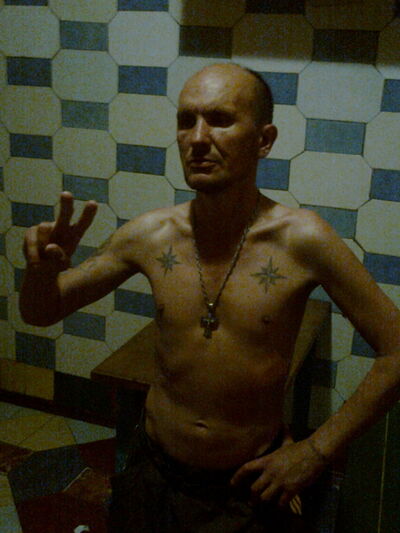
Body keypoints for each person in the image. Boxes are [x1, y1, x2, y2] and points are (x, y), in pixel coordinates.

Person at [20, 63, 400, 532]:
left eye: (220, 120)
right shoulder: (151, 234)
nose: (197, 138)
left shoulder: (303, 239)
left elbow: (396, 350)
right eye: (186, 121)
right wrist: (40, 275)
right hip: (153, 473)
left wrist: (317, 451)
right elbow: (41, 312)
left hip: (247, 486)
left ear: (264, 140)